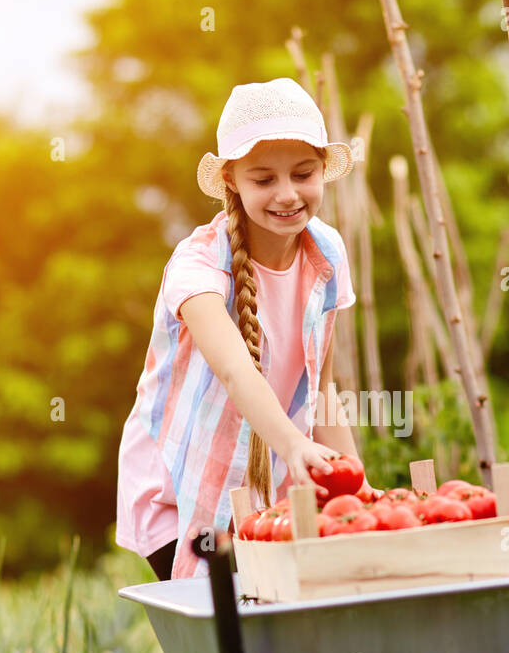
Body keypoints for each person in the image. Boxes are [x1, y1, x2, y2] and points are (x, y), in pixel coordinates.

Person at [116, 78, 371, 582]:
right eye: (263, 180)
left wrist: (355, 493)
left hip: (268, 479)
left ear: (323, 170)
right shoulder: (198, 265)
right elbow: (235, 372)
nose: (287, 195)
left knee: (276, 630)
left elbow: (321, 389)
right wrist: (294, 445)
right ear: (231, 180)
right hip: (180, 480)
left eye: (303, 174)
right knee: (227, 641)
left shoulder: (328, 255)